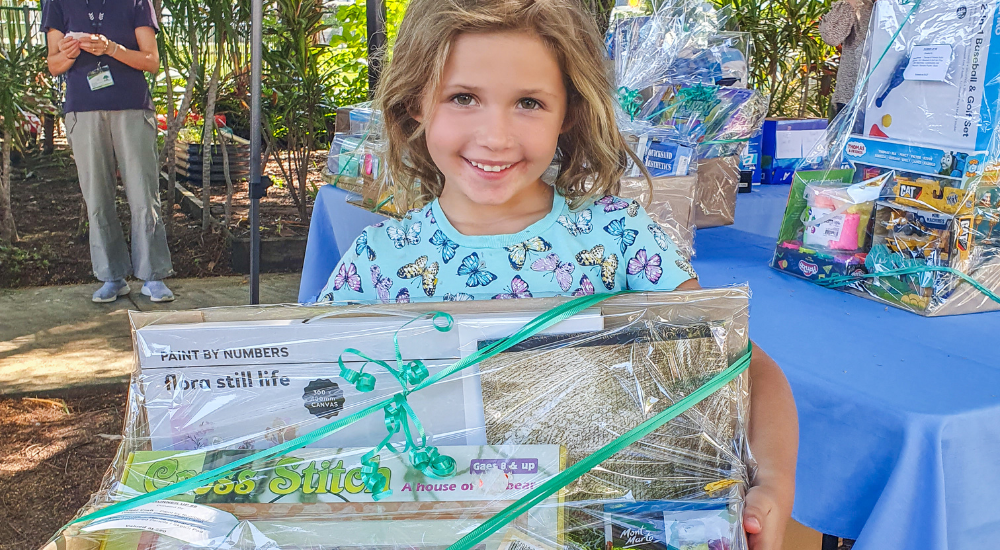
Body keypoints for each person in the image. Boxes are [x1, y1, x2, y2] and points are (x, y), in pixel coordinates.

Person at [320, 1, 798, 548]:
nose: (495, 136)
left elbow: (745, 369)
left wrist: (776, 483)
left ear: (567, 111)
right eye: (463, 98)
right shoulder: (376, 262)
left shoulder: (617, 239)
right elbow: (313, 401)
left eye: (528, 102)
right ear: (414, 105)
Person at [42, 0, 175, 303]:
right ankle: (111, 276)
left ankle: (153, 276)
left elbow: (151, 60)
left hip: (131, 107)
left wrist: (111, 49)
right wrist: (69, 52)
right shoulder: (57, 3)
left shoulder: (137, 2)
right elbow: (53, 65)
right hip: (83, 111)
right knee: (97, 197)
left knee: (144, 193)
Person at [820, 0, 876, 119]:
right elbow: (831, 36)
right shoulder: (861, 5)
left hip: (894, 95)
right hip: (852, 97)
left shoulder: (909, 6)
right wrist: (851, 3)